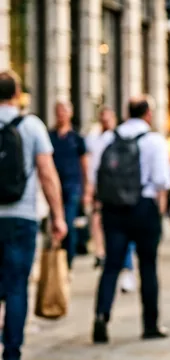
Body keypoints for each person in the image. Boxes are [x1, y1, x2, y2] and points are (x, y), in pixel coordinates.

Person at [0, 70, 67, 360]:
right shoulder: (32, 126)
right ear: (17, 94)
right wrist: (58, 216)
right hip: (22, 215)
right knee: (16, 286)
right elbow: (47, 174)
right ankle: (12, 358)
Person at [91, 96, 170, 343]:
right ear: (148, 114)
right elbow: (162, 180)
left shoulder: (107, 138)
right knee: (148, 266)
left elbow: (96, 174)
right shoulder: (155, 141)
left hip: (113, 208)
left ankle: (101, 317)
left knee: (111, 265)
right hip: (144, 206)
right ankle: (150, 324)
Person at [49, 101, 88, 269]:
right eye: (58, 111)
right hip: (53, 186)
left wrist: (87, 189)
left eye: (64, 111)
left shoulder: (77, 138)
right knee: (54, 224)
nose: (61, 114)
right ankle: (56, 262)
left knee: (68, 223)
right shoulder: (50, 136)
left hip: (72, 186)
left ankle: (68, 262)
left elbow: (85, 164)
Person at [85, 106, 116, 267]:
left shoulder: (116, 138)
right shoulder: (93, 138)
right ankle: (99, 251)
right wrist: (89, 187)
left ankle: (107, 249)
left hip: (113, 185)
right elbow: (90, 164)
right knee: (96, 218)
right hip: (98, 183)